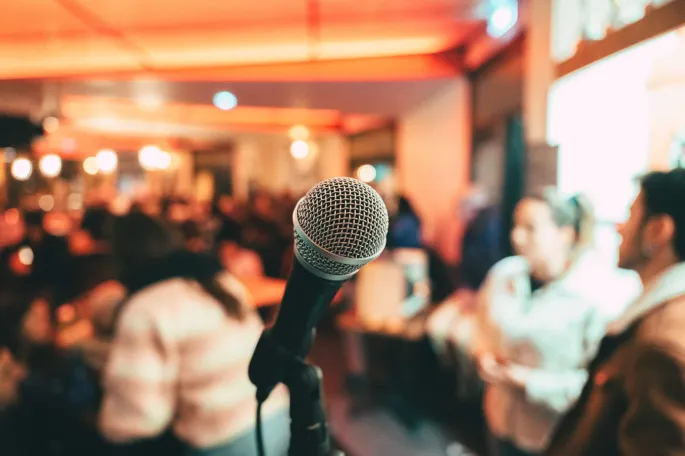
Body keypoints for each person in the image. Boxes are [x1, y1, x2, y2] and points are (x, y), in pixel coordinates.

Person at [99, 212, 289, 456]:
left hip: (223, 440)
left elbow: (138, 420)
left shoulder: (146, 308)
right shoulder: (220, 282)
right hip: (278, 418)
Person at [471, 189, 637, 456]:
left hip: (554, 436)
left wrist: (528, 382)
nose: (517, 237)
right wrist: (482, 355)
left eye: (530, 228)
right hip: (499, 421)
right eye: (515, 226)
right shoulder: (504, 274)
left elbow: (596, 383)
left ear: (565, 234)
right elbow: (481, 327)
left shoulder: (594, 295)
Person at [546, 169, 685, 456]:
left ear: (658, 230)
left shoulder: (660, 343)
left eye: (631, 214)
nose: (620, 227)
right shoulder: (660, 313)